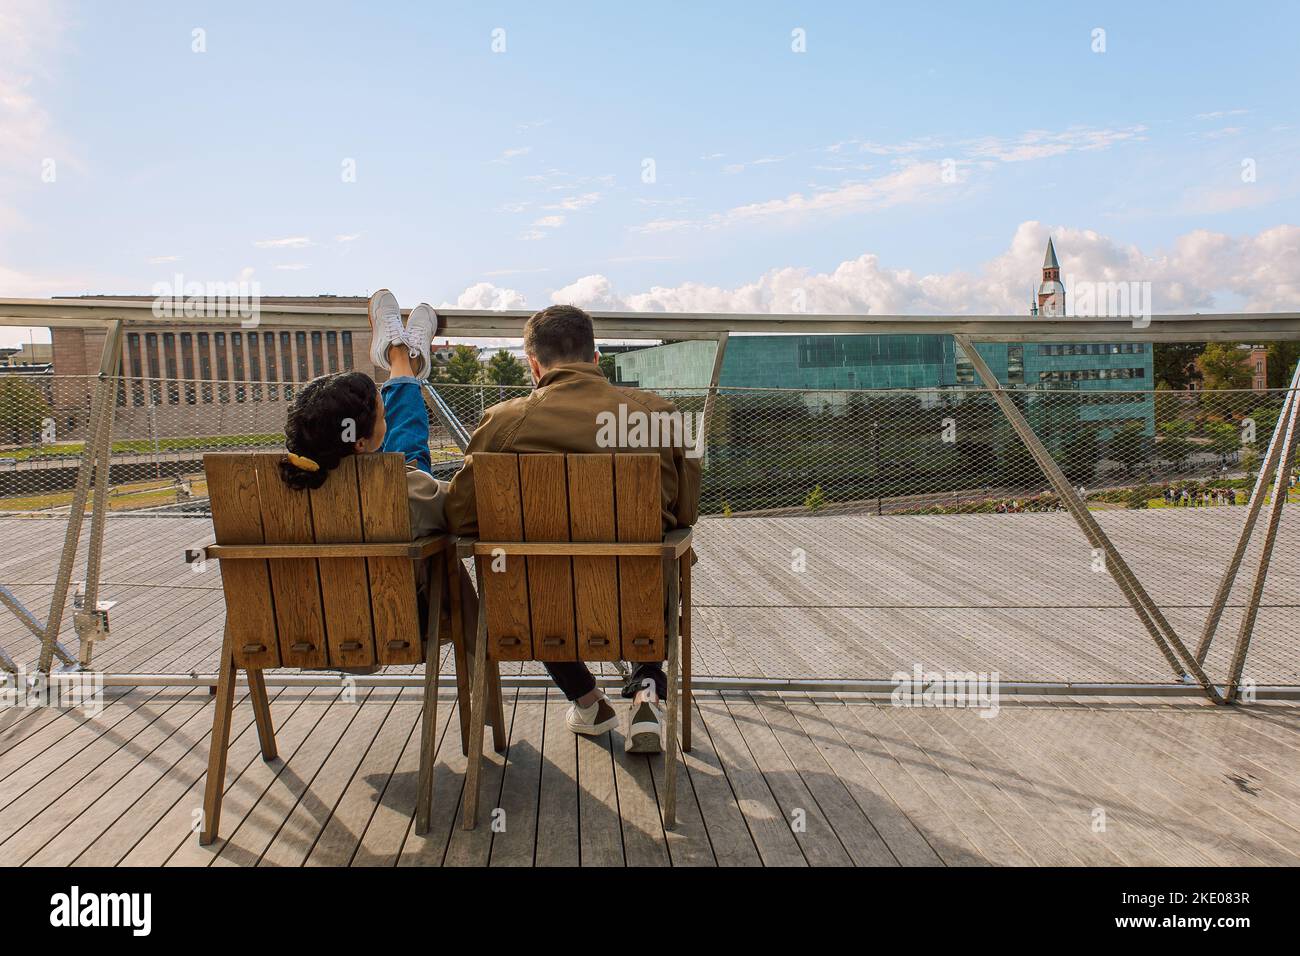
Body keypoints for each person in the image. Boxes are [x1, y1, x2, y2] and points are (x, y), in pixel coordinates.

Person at [443, 304, 701, 754]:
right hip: (636, 603)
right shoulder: (656, 416)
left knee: (533, 581)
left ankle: (587, 700)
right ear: (596, 358)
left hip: (537, 613)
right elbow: (683, 516)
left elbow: (459, 518)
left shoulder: (502, 424)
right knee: (654, 557)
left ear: (533, 364)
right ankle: (647, 689)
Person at [275, 290, 476, 667]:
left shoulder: (267, 491)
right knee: (408, 469)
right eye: (382, 417)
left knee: (400, 473)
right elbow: (461, 510)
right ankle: (403, 362)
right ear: (361, 442)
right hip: (391, 626)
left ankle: (402, 361)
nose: (385, 421)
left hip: (296, 633)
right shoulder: (402, 488)